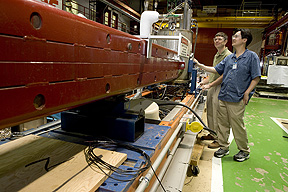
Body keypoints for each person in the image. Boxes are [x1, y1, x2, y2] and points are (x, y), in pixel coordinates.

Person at [194, 28, 261, 162]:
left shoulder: (251, 56)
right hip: (224, 95)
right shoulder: (230, 58)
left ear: (244, 40)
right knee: (222, 124)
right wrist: (200, 65)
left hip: (237, 97)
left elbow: (256, 77)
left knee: (237, 125)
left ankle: (244, 150)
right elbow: (216, 70)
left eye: (236, 36)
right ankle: (224, 146)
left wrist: (247, 93)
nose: (233, 38)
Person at [198, 32, 232, 149]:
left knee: (219, 115)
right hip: (213, 86)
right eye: (215, 39)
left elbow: (224, 75)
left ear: (225, 41)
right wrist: (205, 82)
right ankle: (212, 134)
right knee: (211, 112)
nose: (217, 41)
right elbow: (214, 73)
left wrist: (210, 84)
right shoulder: (217, 55)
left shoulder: (228, 56)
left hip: (221, 87)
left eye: (219, 39)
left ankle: (220, 139)